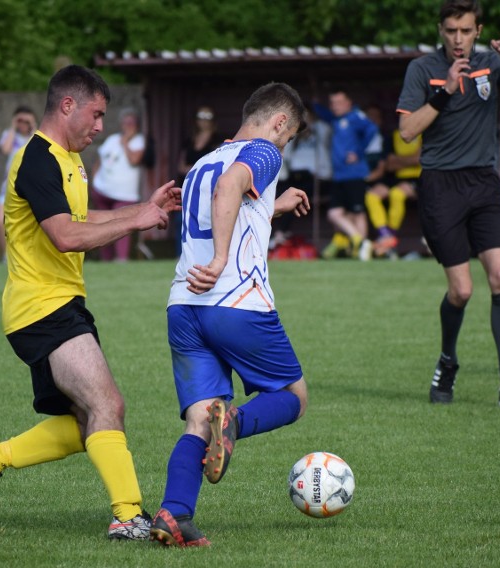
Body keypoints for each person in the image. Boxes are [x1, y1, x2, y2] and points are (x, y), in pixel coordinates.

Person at [0, 65, 181, 541]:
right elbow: (65, 235)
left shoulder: (69, 159)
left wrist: (142, 209)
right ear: (67, 106)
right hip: (42, 308)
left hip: (58, 306)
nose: (101, 127)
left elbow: (80, 215)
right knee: (108, 404)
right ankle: (128, 516)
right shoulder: (37, 158)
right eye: (96, 115)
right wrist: (136, 222)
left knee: (87, 424)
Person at [151, 82, 310, 547]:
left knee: (200, 416)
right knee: (293, 396)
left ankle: (174, 514)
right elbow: (231, 188)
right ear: (279, 122)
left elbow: (224, 201)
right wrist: (221, 259)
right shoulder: (262, 150)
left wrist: (270, 207)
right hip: (235, 302)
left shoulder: (204, 159)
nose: (284, 145)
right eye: (290, 136)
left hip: (184, 306)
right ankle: (236, 422)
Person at [396, 0, 500, 406]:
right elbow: (408, 131)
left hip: (483, 183)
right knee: (461, 290)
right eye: (451, 31)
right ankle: (447, 360)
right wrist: (443, 92)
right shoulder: (422, 70)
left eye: (465, 31)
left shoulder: (491, 65)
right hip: (440, 187)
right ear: (441, 31)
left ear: (478, 30)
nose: (458, 39)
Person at [315, 88, 379, 260]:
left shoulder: (356, 117)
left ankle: (361, 251)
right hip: (339, 176)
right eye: (332, 103)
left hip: (355, 174)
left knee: (358, 212)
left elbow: (372, 129)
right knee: (335, 214)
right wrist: (310, 102)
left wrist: (358, 152)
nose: (334, 106)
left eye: (338, 102)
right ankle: (359, 241)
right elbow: (322, 113)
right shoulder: (336, 119)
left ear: (348, 103)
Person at [271, 104, 332, 249]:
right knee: (281, 193)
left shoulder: (320, 129)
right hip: (294, 176)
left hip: (316, 177)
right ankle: (278, 234)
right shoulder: (293, 134)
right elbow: (287, 156)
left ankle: (280, 233)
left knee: (294, 195)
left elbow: (328, 128)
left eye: (306, 116)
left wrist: (311, 124)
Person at [90, 107, 146, 262]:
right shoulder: (112, 139)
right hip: (102, 190)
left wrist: (126, 142)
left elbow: (134, 160)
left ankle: (121, 258)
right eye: (125, 122)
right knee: (102, 226)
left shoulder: (139, 140)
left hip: (124, 193)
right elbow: (99, 161)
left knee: (122, 225)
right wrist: (95, 181)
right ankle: (106, 260)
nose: (127, 125)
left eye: (131, 122)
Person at [172, 106, 226, 256]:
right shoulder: (189, 141)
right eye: (200, 117)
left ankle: (208, 254)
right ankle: (181, 255)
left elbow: (217, 164)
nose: (203, 121)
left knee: (206, 221)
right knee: (181, 221)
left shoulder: (217, 141)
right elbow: (180, 166)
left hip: (208, 189)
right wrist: (197, 169)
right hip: (187, 187)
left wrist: (193, 169)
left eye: (207, 118)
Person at [365, 129, 422, 258]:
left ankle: (389, 235)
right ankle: (386, 235)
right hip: (394, 177)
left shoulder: (424, 135)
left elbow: (419, 159)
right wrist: (410, 159)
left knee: (397, 194)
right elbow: (389, 165)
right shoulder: (393, 136)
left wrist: (399, 160)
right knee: (371, 196)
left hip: (417, 177)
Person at [0, 106, 37, 259]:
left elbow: (39, 149)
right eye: (20, 120)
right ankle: (7, 255)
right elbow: (5, 149)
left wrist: (33, 127)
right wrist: (13, 126)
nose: (23, 124)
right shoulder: (9, 135)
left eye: (27, 121)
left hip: (30, 186)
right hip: (8, 186)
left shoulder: (36, 137)